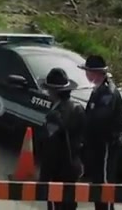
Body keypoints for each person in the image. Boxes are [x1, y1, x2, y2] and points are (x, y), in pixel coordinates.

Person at [78, 55, 122, 210]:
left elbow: (100, 119)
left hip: (105, 144)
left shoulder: (108, 93)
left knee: (104, 183)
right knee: (98, 182)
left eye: (88, 71)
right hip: (97, 145)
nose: (86, 74)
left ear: (96, 73)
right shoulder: (98, 89)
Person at [39, 68, 86, 210]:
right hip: (74, 166)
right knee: (70, 204)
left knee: (56, 204)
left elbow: (51, 147)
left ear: (54, 92)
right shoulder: (78, 109)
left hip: (58, 169)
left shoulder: (55, 116)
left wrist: (45, 176)